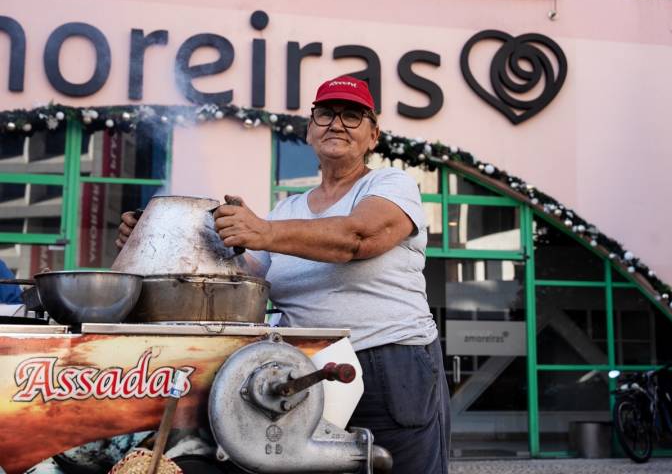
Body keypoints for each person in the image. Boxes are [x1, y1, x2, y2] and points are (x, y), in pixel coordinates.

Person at [117, 76, 450, 473]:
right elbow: (244, 280)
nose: (337, 123)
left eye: (352, 116)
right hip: (303, 372)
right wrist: (155, 239)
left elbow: (358, 237)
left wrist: (262, 231)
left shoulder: (390, 184)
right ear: (310, 129)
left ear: (373, 135)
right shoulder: (287, 209)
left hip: (388, 363)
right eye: (325, 113)